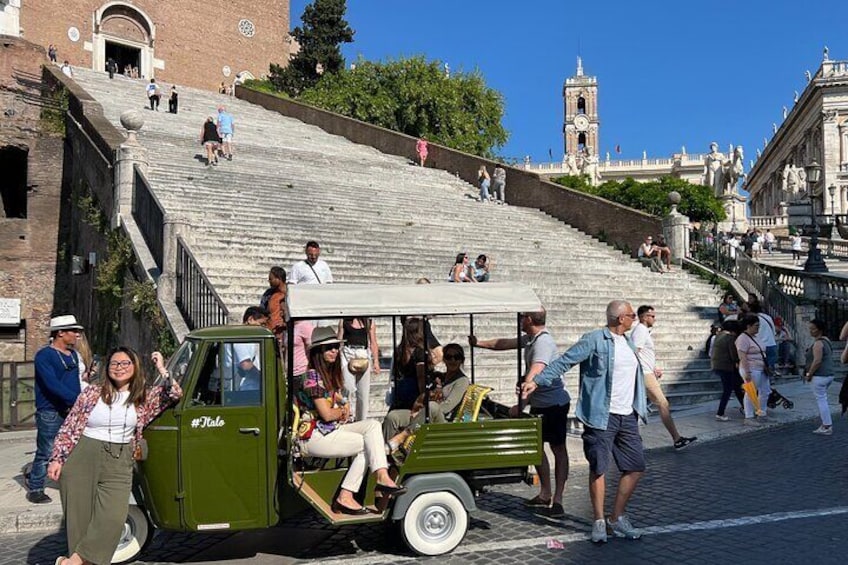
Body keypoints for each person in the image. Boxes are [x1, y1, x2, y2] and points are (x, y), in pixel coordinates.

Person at [524, 300, 647, 543]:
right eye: (632, 315)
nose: (635, 318)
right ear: (620, 318)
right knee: (599, 468)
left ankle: (617, 517)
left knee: (635, 467)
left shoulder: (629, 342)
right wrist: (537, 380)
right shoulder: (594, 340)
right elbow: (565, 361)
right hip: (601, 415)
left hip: (627, 415)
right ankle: (599, 520)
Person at [48, 347, 182, 565]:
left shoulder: (144, 396)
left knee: (113, 518)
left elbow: (175, 393)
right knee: (79, 520)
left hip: (120, 458)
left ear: (135, 366)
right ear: (108, 368)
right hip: (83, 453)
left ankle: (70, 562)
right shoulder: (92, 393)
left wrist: (162, 368)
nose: (119, 368)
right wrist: (57, 458)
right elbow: (70, 425)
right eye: (114, 364)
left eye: (125, 363)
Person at [294, 327, 405, 514]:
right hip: (313, 435)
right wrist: (340, 412)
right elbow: (327, 414)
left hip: (328, 430)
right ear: (317, 353)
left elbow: (334, 398)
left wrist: (343, 403)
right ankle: (346, 494)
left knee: (373, 426)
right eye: (329, 348)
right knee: (366, 445)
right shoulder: (312, 377)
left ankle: (382, 475)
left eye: (336, 347)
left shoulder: (326, 374)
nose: (334, 351)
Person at [472, 309, 570, 518]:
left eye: (521, 317)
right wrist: (478, 343)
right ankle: (545, 492)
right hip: (538, 403)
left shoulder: (543, 342)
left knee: (558, 448)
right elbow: (504, 343)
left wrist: (524, 394)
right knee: (536, 447)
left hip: (553, 405)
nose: (518, 320)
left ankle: (558, 499)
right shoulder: (530, 339)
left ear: (528, 319)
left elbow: (538, 368)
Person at [27, 315, 84, 504]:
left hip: (71, 410)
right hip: (50, 411)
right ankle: (35, 487)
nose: (77, 335)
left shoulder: (73, 355)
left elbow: (74, 382)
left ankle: (68, 482)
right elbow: (52, 385)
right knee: (47, 450)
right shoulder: (44, 356)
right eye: (73, 331)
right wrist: (78, 400)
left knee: (72, 449)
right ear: (60, 333)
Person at [630, 306, 696, 449]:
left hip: (647, 372)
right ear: (643, 317)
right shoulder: (640, 330)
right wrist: (644, 371)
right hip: (644, 374)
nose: (654, 318)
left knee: (637, 406)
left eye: (654, 315)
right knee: (662, 404)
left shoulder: (644, 331)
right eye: (651, 316)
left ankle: (631, 437)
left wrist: (653, 368)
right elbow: (635, 351)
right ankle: (677, 439)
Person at [383, 342, 470, 446]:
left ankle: (404, 435)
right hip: (425, 414)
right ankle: (384, 451)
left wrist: (421, 412)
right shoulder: (440, 377)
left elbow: (447, 407)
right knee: (393, 417)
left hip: (444, 421)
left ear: (462, 360)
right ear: (444, 359)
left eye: (457, 357)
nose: (453, 360)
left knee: (432, 407)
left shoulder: (462, 381)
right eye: (448, 357)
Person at [338, 317, 381, 421]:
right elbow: (339, 339)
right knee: (347, 387)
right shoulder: (344, 321)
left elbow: (373, 341)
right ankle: (345, 414)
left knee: (363, 393)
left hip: (363, 355)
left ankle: (361, 419)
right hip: (347, 354)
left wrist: (376, 361)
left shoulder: (369, 322)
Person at [736, 314, 770, 424]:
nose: (758, 328)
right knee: (751, 392)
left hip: (761, 367)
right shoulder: (742, 338)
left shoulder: (755, 337)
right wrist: (747, 371)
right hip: (751, 367)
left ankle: (761, 412)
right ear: (748, 326)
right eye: (756, 326)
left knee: (765, 390)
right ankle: (749, 416)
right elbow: (742, 356)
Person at [391, 318, 430, 410]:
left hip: (401, 389)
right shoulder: (419, 351)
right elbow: (421, 376)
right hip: (415, 391)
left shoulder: (399, 350)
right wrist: (423, 396)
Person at [804, 319, 834, 435]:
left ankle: (826, 425)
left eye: (813, 329)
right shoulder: (826, 340)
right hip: (828, 375)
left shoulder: (818, 343)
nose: (811, 331)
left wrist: (809, 374)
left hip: (819, 376)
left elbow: (817, 361)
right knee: (823, 399)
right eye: (810, 329)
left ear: (819, 329)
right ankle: (825, 422)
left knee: (821, 400)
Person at [711, 320, 744, 421]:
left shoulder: (718, 336)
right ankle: (720, 413)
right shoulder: (730, 338)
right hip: (727, 366)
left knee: (736, 387)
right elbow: (733, 354)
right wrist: (738, 361)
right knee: (728, 389)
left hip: (717, 365)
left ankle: (746, 408)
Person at [260, 266, 287, 350]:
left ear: (278, 278)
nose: (269, 281)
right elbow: (262, 311)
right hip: (270, 332)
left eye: (271, 279)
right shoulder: (268, 294)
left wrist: (284, 324)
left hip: (285, 334)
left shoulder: (291, 293)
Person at [749, 302, 777, 373]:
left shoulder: (753, 320)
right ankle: (770, 377)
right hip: (771, 344)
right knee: (770, 365)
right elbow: (774, 331)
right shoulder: (768, 317)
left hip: (761, 345)